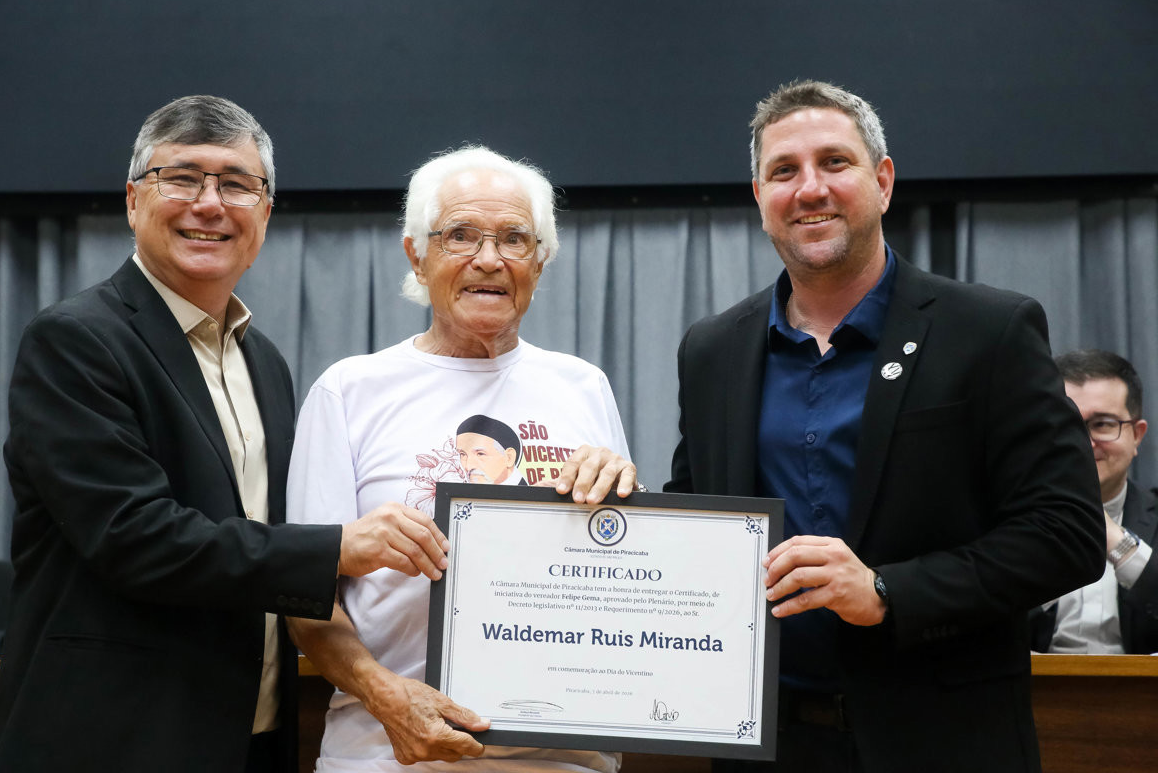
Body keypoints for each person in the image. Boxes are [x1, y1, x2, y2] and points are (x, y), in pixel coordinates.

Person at [0, 96, 451, 773]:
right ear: (133, 201)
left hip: (250, 741)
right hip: (113, 742)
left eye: (236, 184)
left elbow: (265, 541)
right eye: (181, 178)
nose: (209, 204)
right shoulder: (76, 340)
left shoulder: (264, 363)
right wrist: (337, 548)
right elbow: (135, 540)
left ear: (265, 213)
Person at [664, 80, 1105, 772]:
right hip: (768, 748)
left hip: (944, 745)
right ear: (759, 197)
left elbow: (1066, 535)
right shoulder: (712, 350)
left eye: (834, 162)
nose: (810, 188)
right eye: (784, 171)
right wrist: (603, 507)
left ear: (883, 181)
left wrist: (886, 593)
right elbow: (696, 526)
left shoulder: (989, 331)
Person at [286, 145, 636, 773]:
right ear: (416, 255)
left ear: (540, 261)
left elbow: (622, 572)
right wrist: (385, 697)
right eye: (460, 235)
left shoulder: (584, 386)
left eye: (514, 239)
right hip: (389, 755)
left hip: (563, 758)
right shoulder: (349, 390)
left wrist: (625, 504)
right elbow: (303, 599)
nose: (489, 259)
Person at [1031, 349, 1158, 654]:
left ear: (1137, 435)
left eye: (1102, 424)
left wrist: (1116, 540)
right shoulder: (1000, 517)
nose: (1084, 444)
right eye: (1067, 425)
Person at [455, 414, 527, 485]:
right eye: (462, 454)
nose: (468, 466)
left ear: (509, 457)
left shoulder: (527, 492)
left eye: (480, 454)